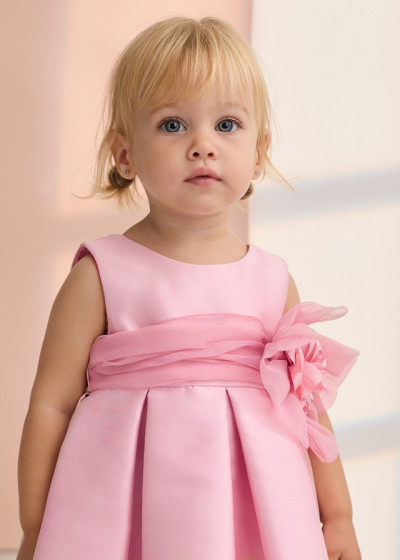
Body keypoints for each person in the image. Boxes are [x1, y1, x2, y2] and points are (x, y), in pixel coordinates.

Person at [17, 16, 362, 560]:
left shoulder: (273, 279)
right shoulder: (101, 272)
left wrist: (338, 517)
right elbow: (52, 406)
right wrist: (37, 528)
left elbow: (308, 407)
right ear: (125, 154)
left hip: (258, 509)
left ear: (259, 151)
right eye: (173, 125)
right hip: (127, 512)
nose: (203, 145)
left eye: (227, 124)